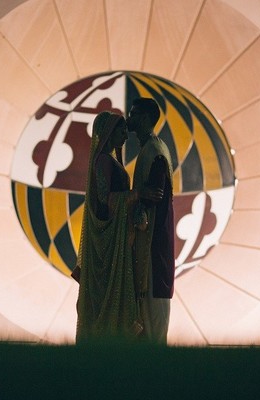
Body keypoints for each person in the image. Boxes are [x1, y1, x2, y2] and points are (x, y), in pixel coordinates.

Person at [74, 111, 161, 342]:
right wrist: (138, 194)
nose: (126, 135)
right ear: (109, 133)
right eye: (121, 130)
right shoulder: (103, 160)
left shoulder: (109, 159)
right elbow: (105, 198)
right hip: (109, 240)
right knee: (107, 294)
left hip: (119, 236)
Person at [127, 97, 175, 344]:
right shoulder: (152, 148)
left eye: (133, 114)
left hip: (153, 247)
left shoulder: (154, 152)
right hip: (151, 245)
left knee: (152, 324)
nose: (129, 118)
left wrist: (136, 208)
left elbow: (154, 196)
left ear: (145, 119)